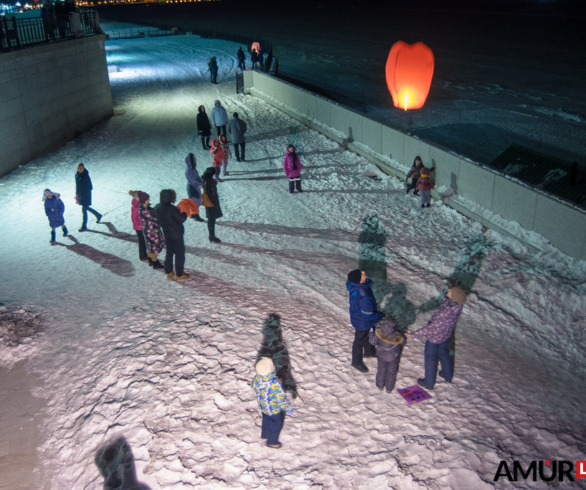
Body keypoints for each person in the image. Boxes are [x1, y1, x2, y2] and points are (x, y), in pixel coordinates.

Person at [405, 285, 467, 390]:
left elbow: (430, 328)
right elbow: (447, 301)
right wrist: (451, 291)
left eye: (450, 291)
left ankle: (429, 383)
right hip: (445, 335)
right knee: (444, 354)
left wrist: (412, 335)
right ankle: (448, 375)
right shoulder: (457, 304)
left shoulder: (443, 313)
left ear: (454, 296)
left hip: (434, 338)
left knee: (430, 359)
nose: (448, 291)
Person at [346, 269, 384, 373]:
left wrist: (365, 282)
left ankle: (369, 351)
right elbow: (368, 314)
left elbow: (366, 283)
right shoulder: (363, 295)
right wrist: (380, 315)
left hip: (361, 319)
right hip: (362, 322)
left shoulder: (356, 286)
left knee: (369, 334)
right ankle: (356, 361)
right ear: (359, 280)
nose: (363, 272)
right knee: (359, 341)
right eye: (361, 274)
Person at [252, 357, 293, 449]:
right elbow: (281, 400)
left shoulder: (257, 378)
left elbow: (254, 386)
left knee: (266, 419)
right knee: (277, 423)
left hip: (263, 406)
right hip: (274, 410)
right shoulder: (275, 384)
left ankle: (264, 434)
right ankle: (272, 441)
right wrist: (287, 408)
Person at [154, 189, 189, 281]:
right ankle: (180, 274)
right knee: (179, 254)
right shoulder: (171, 208)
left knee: (169, 253)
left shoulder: (157, 207)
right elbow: (181, 219)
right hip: (177, 233)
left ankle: (169, 272)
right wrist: (184, 213)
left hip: (166, 233)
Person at [369, 319, 406, 392]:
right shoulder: (397, 335)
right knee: (392, 372)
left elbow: (372, 342)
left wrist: (371, 334)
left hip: (381, 356)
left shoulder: (378, 334)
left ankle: (380, 386)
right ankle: (389, 388)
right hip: (393, 357)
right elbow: (403, 342)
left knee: (381, 370)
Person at [137, 192, 164, 270]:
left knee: (150, 246)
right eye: (147, 199)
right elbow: (154, 219)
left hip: (149, 230)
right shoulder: (145, 211)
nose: (149, 200)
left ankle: (151, 260)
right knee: (154, 247)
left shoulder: (143, 207)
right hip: (152, 231)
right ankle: (155, 263)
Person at [75, 163, 102, 232]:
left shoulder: (86, 176)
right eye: (79, 168)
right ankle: (98, 215)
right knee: (86, 208)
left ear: (83, 168)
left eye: (82, 168)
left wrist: (84, 194)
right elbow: (77, 186)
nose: (81, 169)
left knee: (84, 210)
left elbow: (90, 187)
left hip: (86, 196)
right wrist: (77, 194)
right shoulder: (77, 175)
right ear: (77, 168)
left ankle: (84, 226)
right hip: (81, 195)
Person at [201, 167, 223, 243]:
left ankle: (211, 235)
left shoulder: (206, 180)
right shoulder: (209, 182)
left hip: (209, 202)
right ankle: (211, 236)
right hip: (211, 203)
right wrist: (215, 204)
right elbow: (212, 195)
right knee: (211, 219)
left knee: (211, 218)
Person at [185, 153, 205, 222]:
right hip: (193, 187)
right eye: (194, 159)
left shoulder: (192, 168)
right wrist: (201, 183)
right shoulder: (189, 170)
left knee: (194, 201)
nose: (196, 160)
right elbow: (193, 180)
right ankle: (196, 216)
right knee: (195, 202)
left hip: (194, 186)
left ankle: (193, 214)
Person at [129, 191, 148, 262]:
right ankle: (142, 256)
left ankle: (144, 254)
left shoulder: (139, 205)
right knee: (142, 241)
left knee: (143, 241)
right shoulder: (136, 207)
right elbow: (134, 219)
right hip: (139, 227)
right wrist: (141, 225)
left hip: (140, 226)